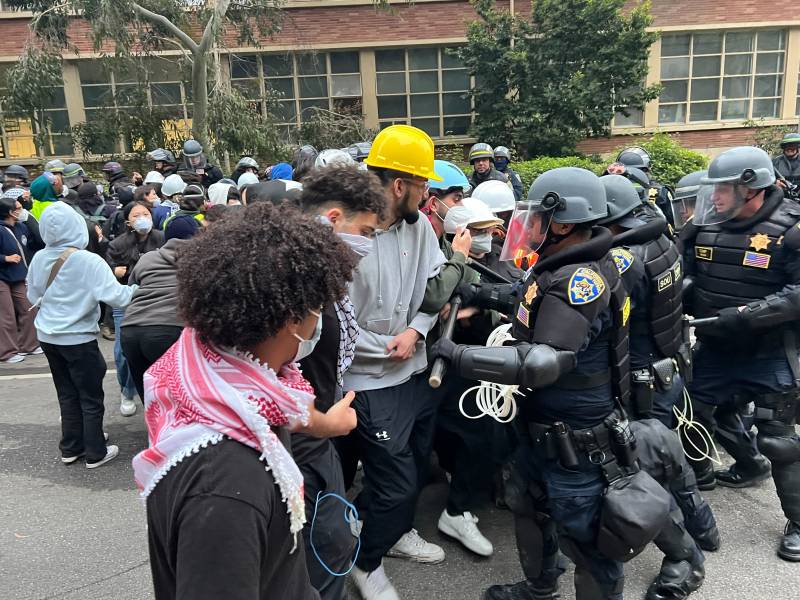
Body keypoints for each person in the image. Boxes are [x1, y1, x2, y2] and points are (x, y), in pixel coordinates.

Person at [432, 167, 680, 600]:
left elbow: (544, 361)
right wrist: (482, 294)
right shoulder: (565, 263)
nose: (525, 226)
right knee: (526, 503)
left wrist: (460, 357)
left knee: (585, 540)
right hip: (544, 426)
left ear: (563, 222)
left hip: (577, 439)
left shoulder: (580, 279)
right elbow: (532, 301)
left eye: (535, 217)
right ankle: (540, 587)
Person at [133, 202, 359, 600]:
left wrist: (331, 424)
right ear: (293, 318)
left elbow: (293, 412)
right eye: (319, 306)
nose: (320, 320)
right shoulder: (227, 485)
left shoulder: (222, 382)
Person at [680, 146, 800, 562]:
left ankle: (799, 523)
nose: (713, 197)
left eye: (723, 189)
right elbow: (686, 273)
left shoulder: (793, 227)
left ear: (751, 189)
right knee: (693, 412)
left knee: (779, 441)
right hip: (715, 347)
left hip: (768, 352)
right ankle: (749, 465)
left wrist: (746, 315)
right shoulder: (706, 224)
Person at [346, 124, 447, 600]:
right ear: (400, 184)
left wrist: (416, 332)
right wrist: (387, 345)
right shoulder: (345, 231)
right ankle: (365, 563)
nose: (430, 195)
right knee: (394, 483)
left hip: (414, 369)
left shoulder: (420, 227)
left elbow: (433, 290)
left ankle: (395, 532)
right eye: (424, 184)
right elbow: (333, 320)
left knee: (417, 464)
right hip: (367, 379)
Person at [599, 174, 720, 556]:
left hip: (641, 375)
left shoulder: (625, 258)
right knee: (670, 451)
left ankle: (683, 548)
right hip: (665, 363)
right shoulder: (660, 239)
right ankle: (705, 527)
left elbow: (596, 315)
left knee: (648, 462)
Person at [293, 164, 386, 600]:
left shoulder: (320, 280)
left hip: (315, 442)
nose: (368, 245)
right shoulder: (295, 288)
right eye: (366, 231)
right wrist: (324, 425)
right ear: (332, 220)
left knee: (325, 548)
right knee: (320, 558)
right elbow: (259, 385)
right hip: (302, 446)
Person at [27, 202, 135, 468]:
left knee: (67, 392)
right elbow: (117, 297)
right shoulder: (88, 260)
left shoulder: (40, 257)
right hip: (78, 338)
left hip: (48, 336)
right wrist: (140, 290)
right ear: (77, 225)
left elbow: (32, 296)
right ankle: (96, 451)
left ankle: (72, 446)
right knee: (90, 395)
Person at [430, 197, 503, 558]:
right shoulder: (442, 264)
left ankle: (460, 495)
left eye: (489, 230)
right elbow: (431, 306)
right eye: (478, 232)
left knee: (481, 435)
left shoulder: (494, 261)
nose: (487, 237)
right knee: (474, 434)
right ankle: (455, 511)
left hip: (480, 363)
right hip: (444, 367)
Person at [119, 210, 201, 401]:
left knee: (150, 399)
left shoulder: (147, 258)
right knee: (179, 399)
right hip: (168, 328)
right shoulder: (199, 259)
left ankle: (154, 430)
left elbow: (132, 286)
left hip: (131, 331)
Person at [107, 201, 165, 415]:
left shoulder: (161, 238)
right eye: (136, 215)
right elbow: (109, 269)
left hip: (156, 298)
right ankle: (127, 390)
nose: (142, 218)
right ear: (128, 221)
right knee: (123, 351)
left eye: (145, 214)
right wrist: (115, 271)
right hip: (126, 301)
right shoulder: (118, 245)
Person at [0, 197, 41, 363]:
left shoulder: (21, 226)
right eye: (18, 207)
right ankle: (7, 352)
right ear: (10, 212)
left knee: (29, 308)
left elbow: (37, 240)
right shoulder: (1, 230)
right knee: (6, 315)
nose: (21, 209)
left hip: (18, 276)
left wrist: (31, 220)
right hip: (2, 277)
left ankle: (29, 345)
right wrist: (5, 258)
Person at [614, 146, 675, 228]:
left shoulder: (613, 191)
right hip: (657, 237)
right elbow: (674, 222)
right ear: (647, 169)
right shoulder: (661, 192)